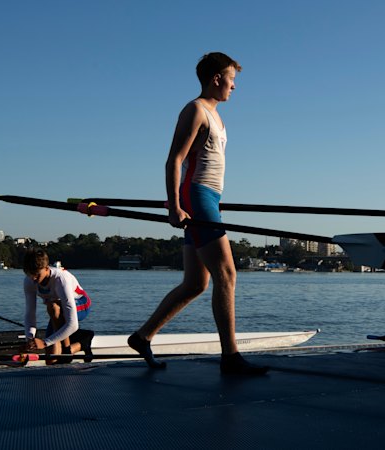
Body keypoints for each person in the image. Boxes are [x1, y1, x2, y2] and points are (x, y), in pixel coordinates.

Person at [128, 52, 269, 375]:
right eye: (232, 79)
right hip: (197, 198)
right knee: (227, 275)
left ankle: (142, 336)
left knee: (195, 284)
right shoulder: (195, 110)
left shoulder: (217, 117)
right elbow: (174, 160)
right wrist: (175, 204)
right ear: (217, 78)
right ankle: (231, 358)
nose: (235, 87)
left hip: (209, 198)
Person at [22, 248, 94, 363]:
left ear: (46, 268)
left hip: (82, 304)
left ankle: (66, 351)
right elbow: (30, 314)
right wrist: (30, 340)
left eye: (37, 274)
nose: (33, 279)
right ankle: (82, 343)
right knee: (51, 360)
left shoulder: (61, 279)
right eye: (30, 274)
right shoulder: (29, 281)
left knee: (53, 306)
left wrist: (45, 342)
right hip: (58, 312)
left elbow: (73, 324)